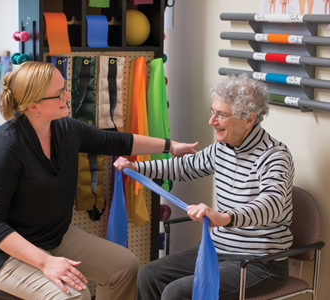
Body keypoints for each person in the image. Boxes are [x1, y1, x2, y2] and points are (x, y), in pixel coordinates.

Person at [0, 61, 197, 300]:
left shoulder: (66, 129)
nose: (67, 96)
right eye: (59, 94)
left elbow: (117, 141)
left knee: (124, 266)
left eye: (65, 88)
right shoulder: (2, 149)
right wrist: (46, 262)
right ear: (33, 105)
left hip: (51, 235)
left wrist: (171, 146)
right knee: (74, 295)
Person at [114, 74, 295, 300]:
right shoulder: (222, 149)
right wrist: (137, 167)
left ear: (249, 119)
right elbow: (185, 167)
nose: (212, 121)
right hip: (217, 250)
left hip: (259, 263)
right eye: (213, 112)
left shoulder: (274, 156)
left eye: (221, 115)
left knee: (176, 292)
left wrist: (227, 218)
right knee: (149, 275)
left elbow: (272, 204)